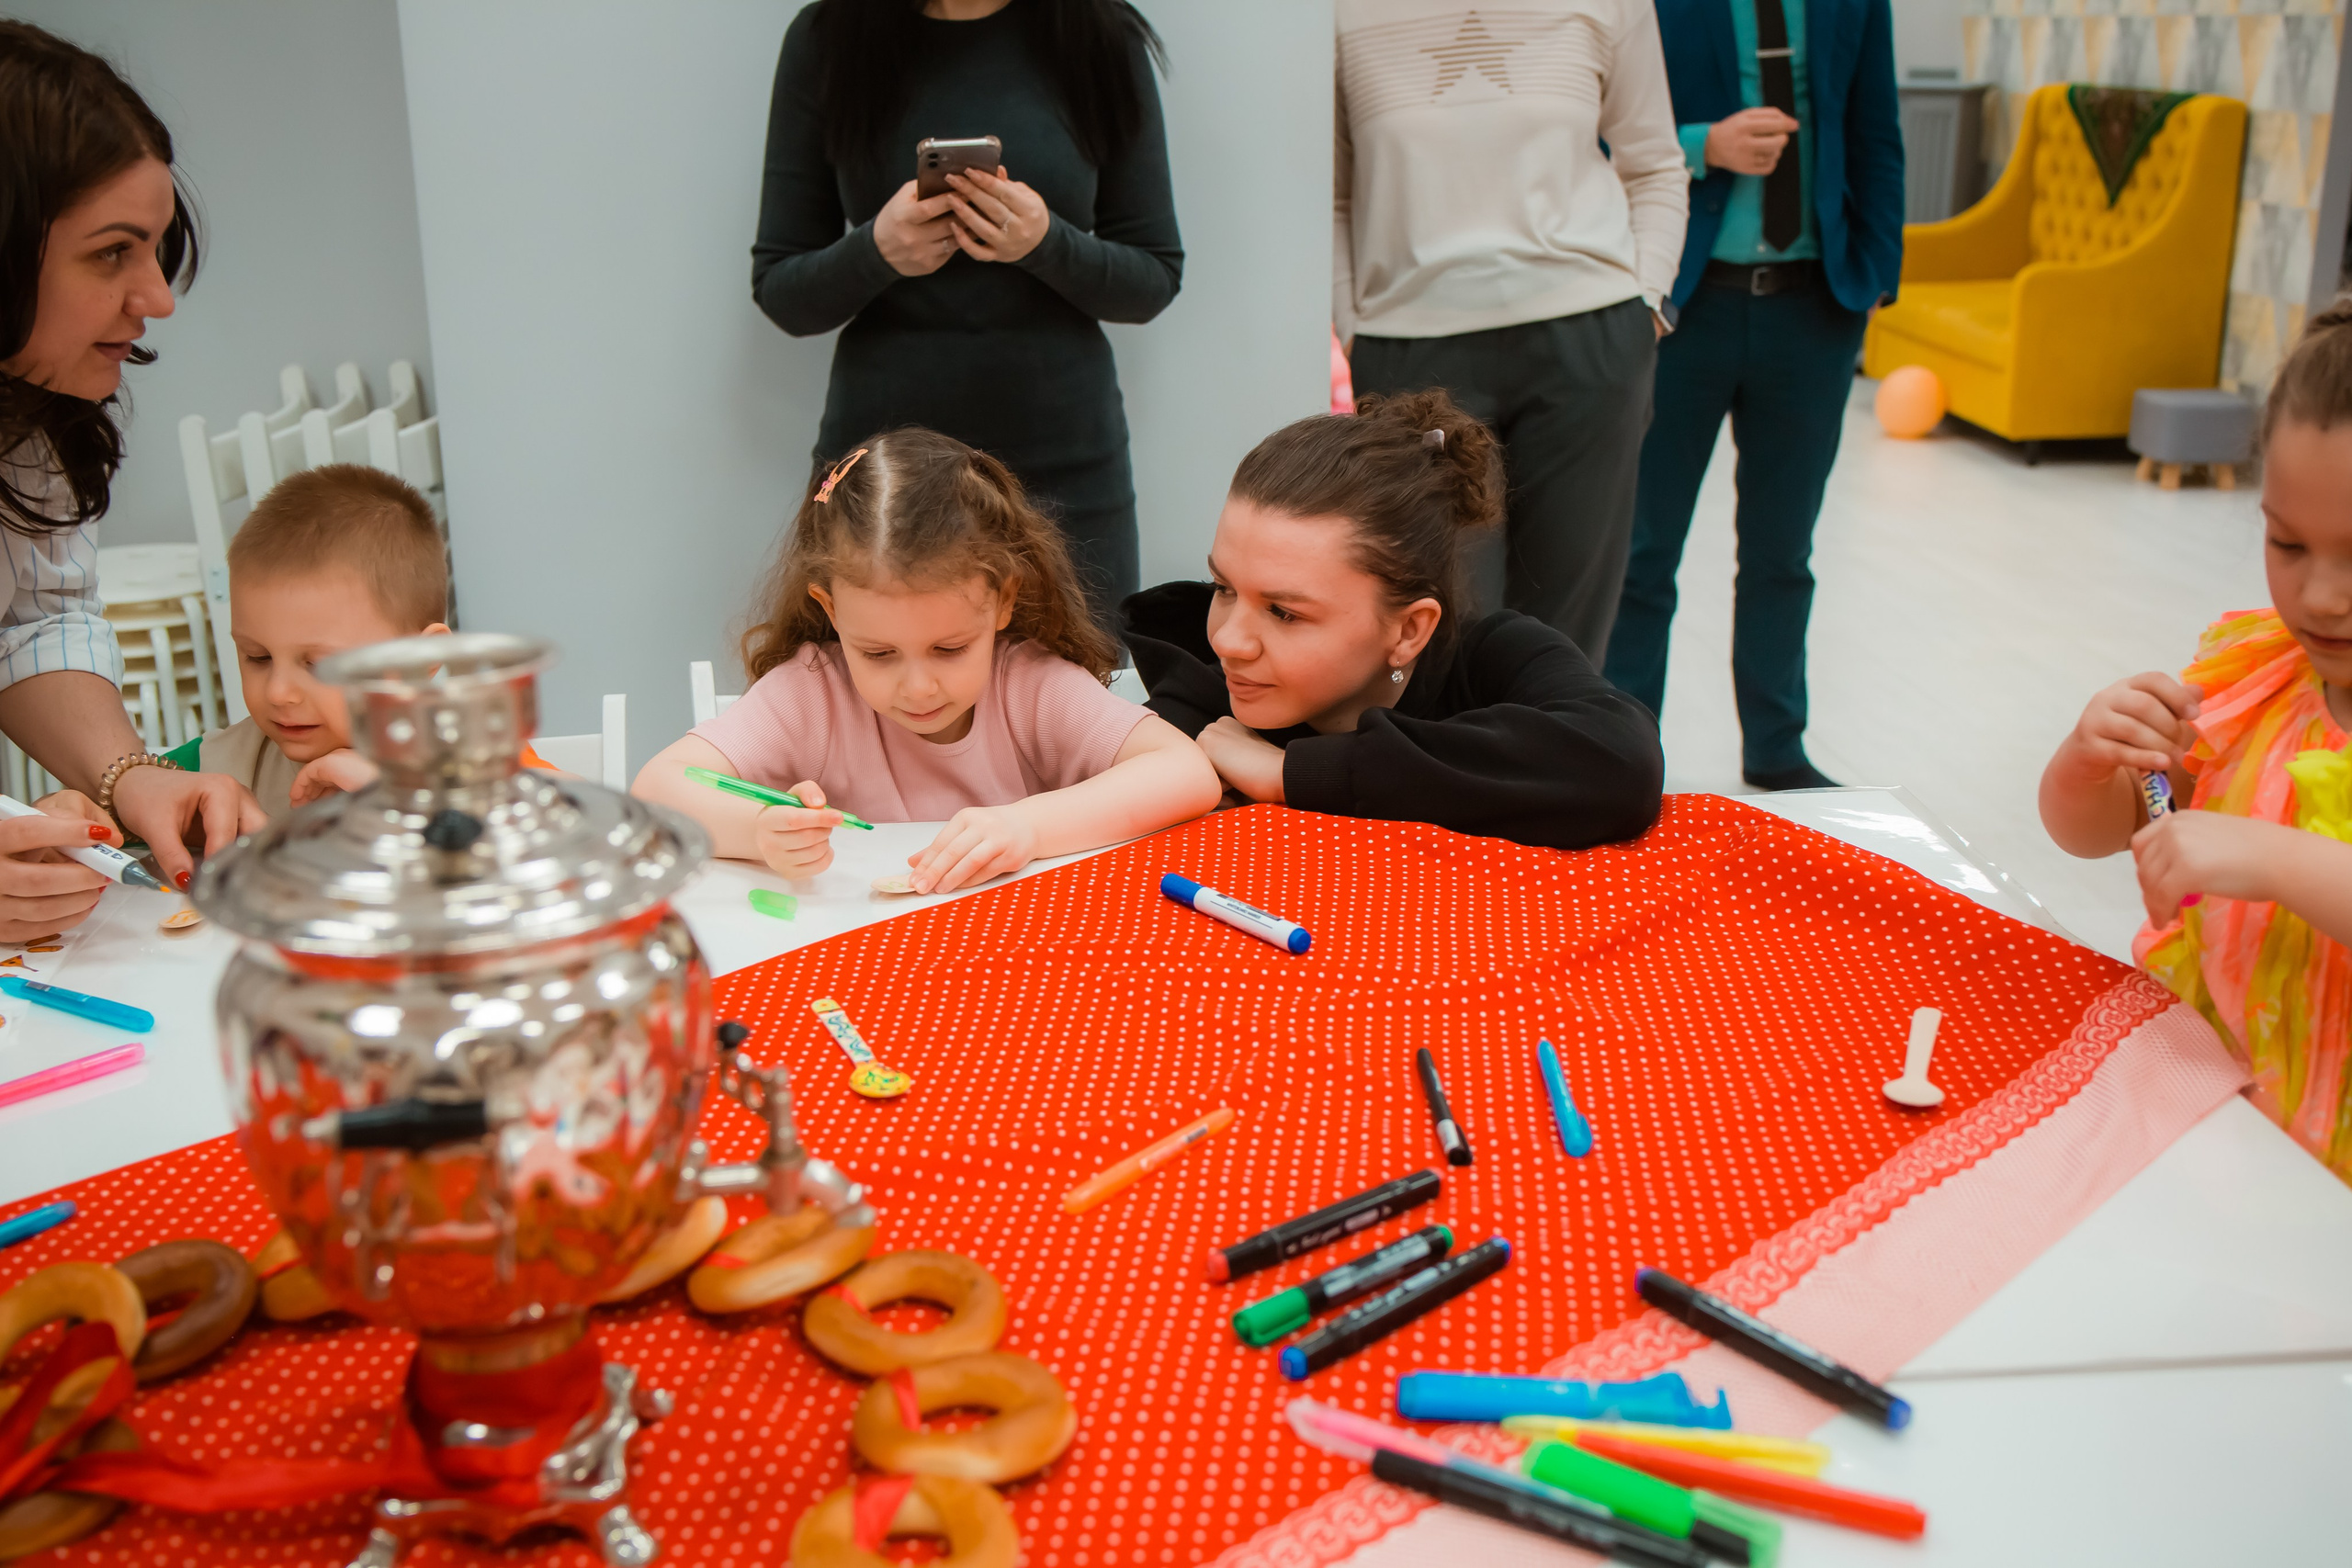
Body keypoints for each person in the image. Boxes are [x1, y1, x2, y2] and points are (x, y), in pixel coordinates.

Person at [2040, 304, 2352, 1183]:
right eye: (2288, 543)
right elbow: (2107, 828)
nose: (2322, 595)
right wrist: (2091, 761)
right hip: (2221, 1128)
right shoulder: (2262, 677)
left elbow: (2262, 856)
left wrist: (2277, 858)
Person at [634, 428, 1219, 894]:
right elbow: (657, 790)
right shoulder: (810, 693)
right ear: (831, 611)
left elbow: (1186, 773)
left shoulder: (1029, 684)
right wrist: (759, 832)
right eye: (879, 653)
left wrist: (1027, 827)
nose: (918, 688)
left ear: (1003, 600)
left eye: (949, 649)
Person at [752, 0, 1181, 615]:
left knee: (1079, 698)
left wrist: (1045, 244)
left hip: (1067, 470)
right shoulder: (828, 37)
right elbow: (782, 293)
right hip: (878, 473)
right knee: (867, 701)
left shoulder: (1101, 31)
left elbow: (1154, 278)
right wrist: (878, 249)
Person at [1120, 390, 1664, 852]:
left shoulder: (1494, 658)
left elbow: (1621, 763)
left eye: (1284, 612)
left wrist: (1294, 774)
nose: (1230, 641)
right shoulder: (1206, 696)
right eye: (1224, 589)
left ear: (1409, 631)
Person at [0, 21, 263, 935]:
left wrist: (129, 773)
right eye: (113, 253)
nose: (158, 298)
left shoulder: (32, 422)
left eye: (153, 248)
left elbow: (33, 618)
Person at [1605, 0, 1905, 792]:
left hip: (1815, 312)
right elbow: (1596, 134)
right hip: (1682, 308)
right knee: (1642, 554)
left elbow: (1877, 130)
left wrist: (1877, 275)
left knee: (1783, 554)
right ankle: (1624, 755)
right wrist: (1707, 145)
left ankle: (1777, 749)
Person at [1334, 0, 1688, 662]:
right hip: (1410, 351)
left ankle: (1560, 766)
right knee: (1443, 634)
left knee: (1568, 642)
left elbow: (1655, 163)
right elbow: (1330, 194)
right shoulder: (1336, 12)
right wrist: (1355, 330)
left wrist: (1645, 305)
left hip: (1590, 340)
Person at [153, 465, 550, 818]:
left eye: (319, 665)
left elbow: (585, 839)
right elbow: (126, 796)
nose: (279, 692)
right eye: (258, 657)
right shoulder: (224, 761)